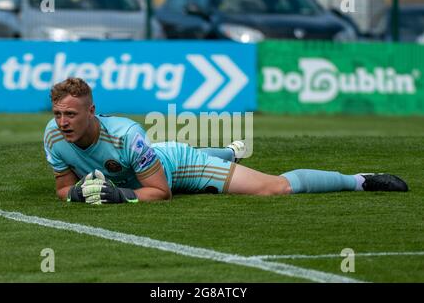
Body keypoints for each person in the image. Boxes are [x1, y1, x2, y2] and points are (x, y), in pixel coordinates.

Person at [43, 78, 408, 205]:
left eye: (71, 115)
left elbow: (160, 192)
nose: (63, 122)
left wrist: (120, 196)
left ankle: (358, 180)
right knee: (181, 153)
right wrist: (74, 194)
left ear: (92, 111)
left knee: (274, 189)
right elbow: (63, 187)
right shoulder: (53, 136)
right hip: (152, 163)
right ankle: (228, 152)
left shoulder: (127, 135)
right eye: (58, 114)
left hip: (176, 168)